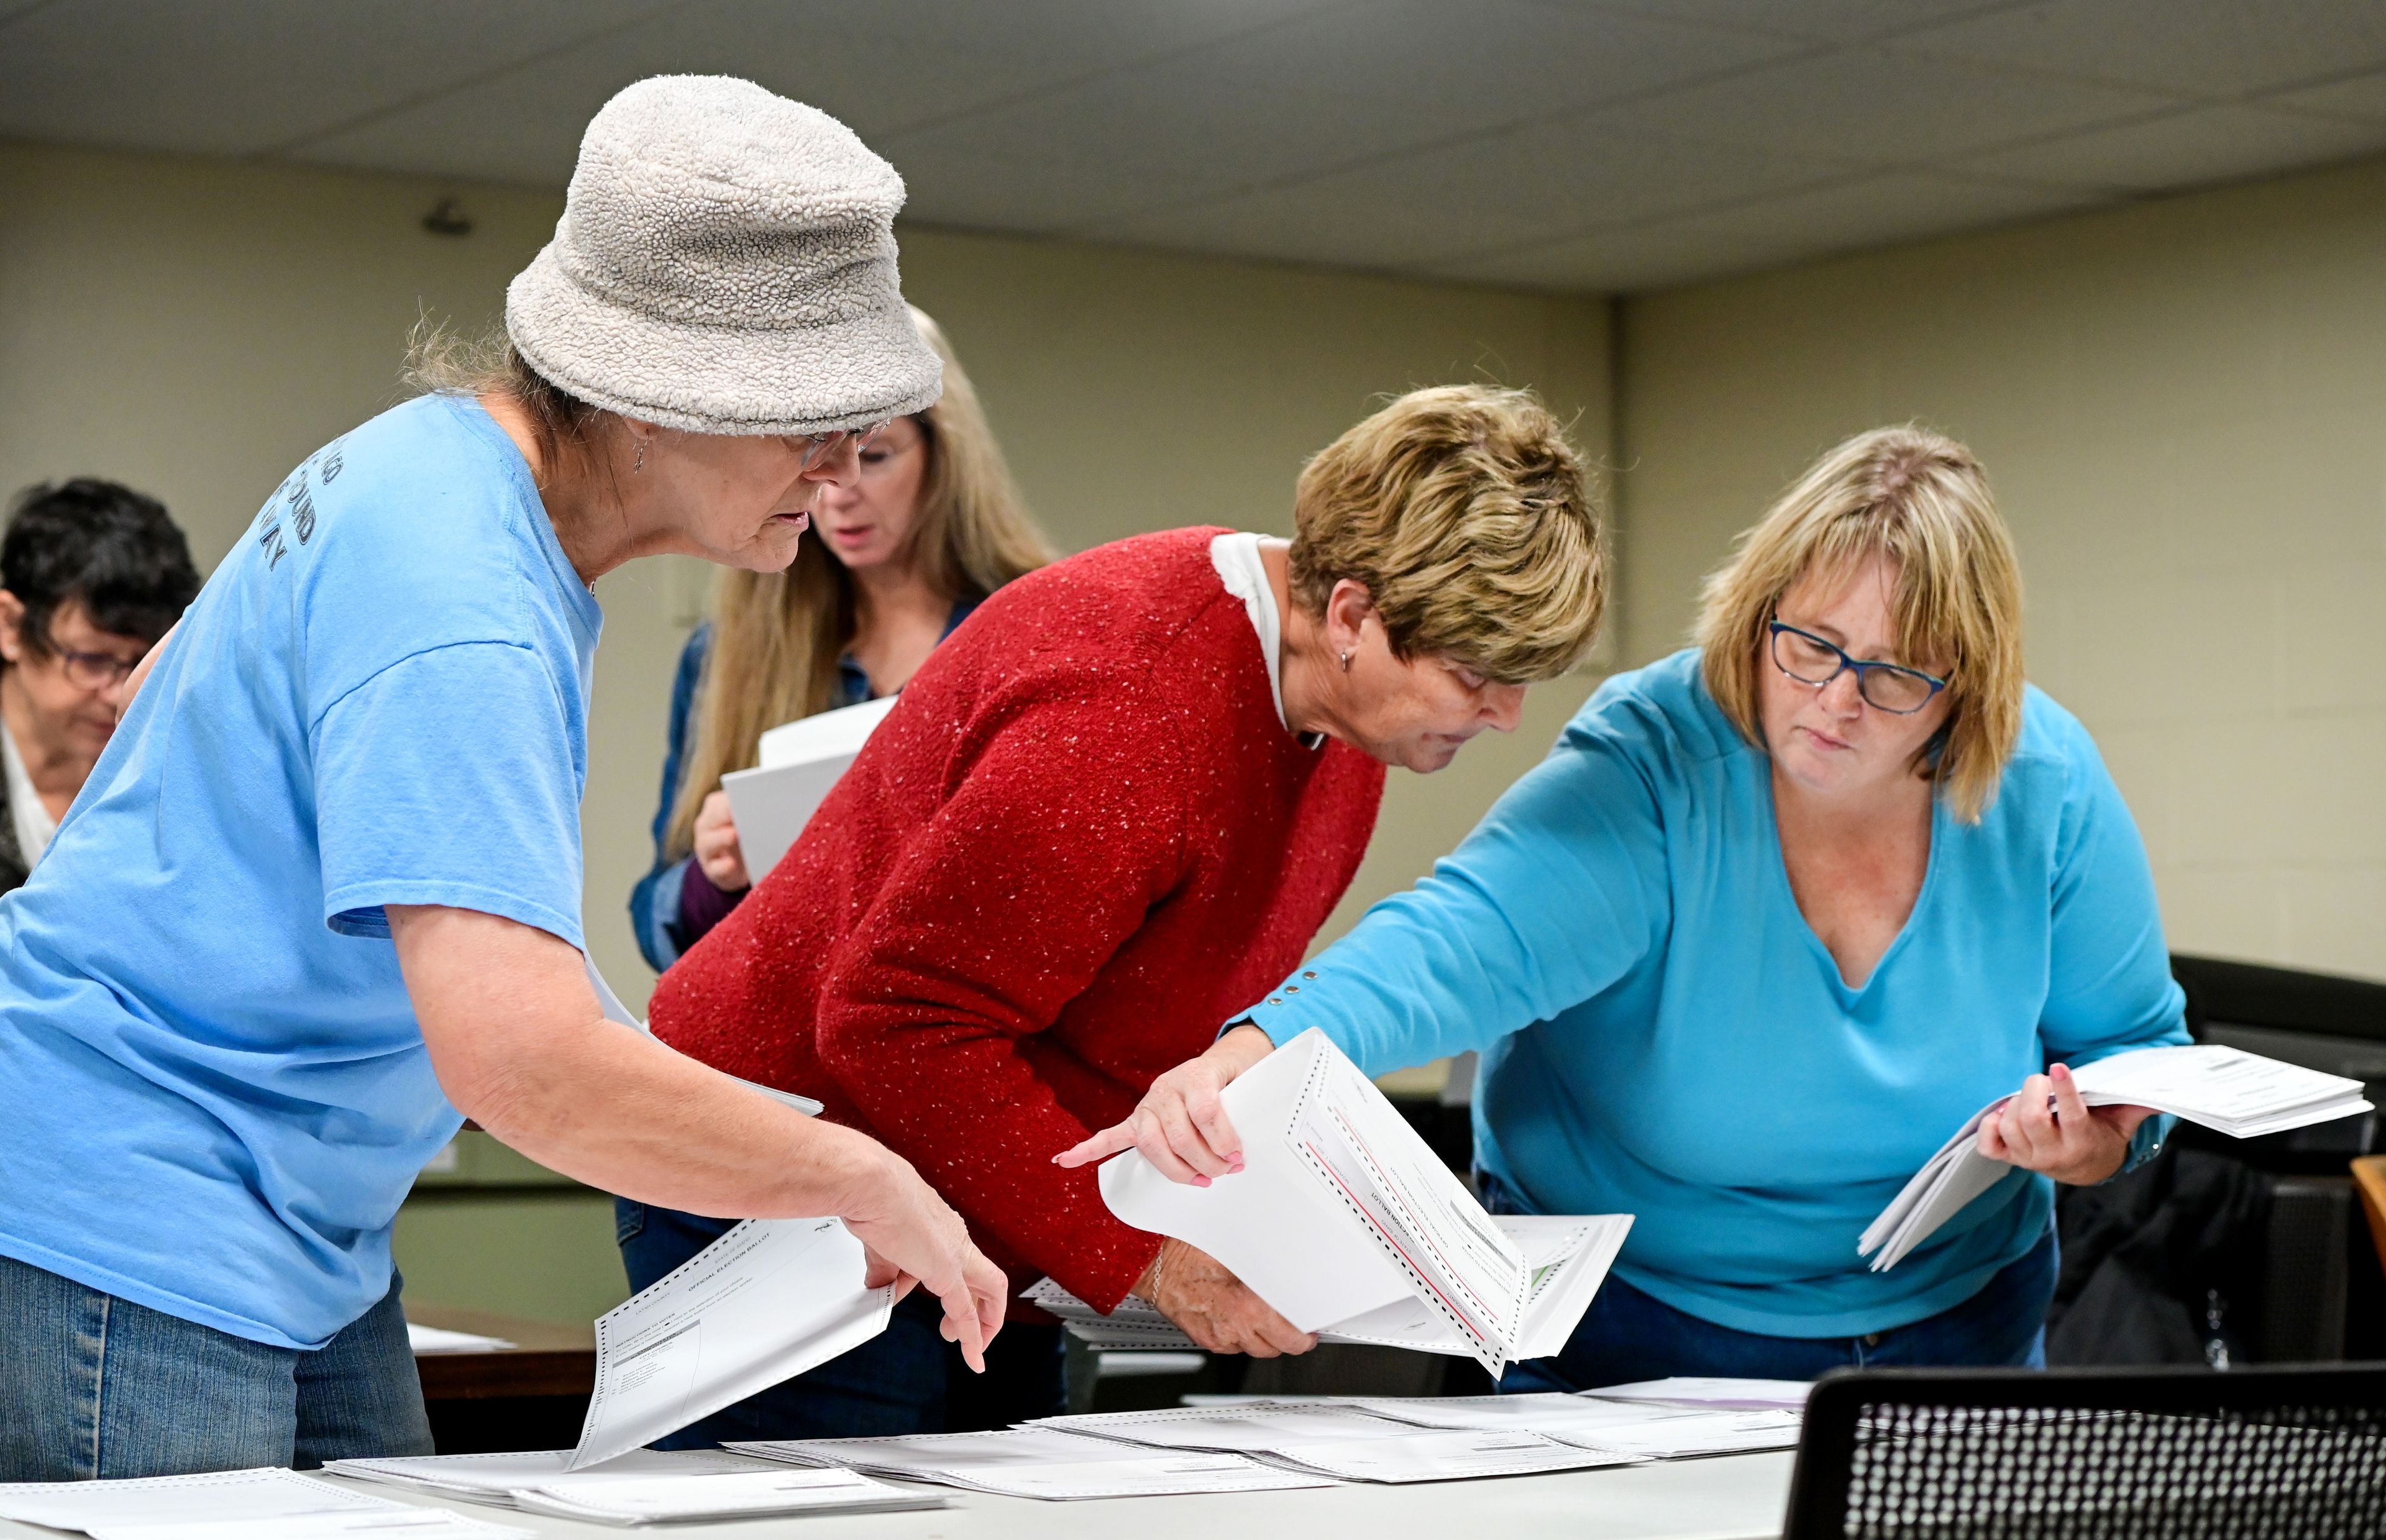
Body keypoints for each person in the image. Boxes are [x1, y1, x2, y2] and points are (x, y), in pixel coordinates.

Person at [0, 76, 1006, 1483]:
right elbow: (518, 1057)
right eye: (808, 420)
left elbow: (500, 978)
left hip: (295, 1219)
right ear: (653, 398)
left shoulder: (437, 482)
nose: (840, 471)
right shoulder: (460, 593)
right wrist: (855, 1173)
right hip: (143, 1206)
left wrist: (783, 1139)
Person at [1064, 425, 2185, 1387]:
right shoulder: (1660, 759)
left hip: (1955, 1324)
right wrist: (1248, 1053)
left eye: (1898, 675)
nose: (1836, 702)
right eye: (1808, 645)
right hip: (1629, 1324)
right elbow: (1454, 943)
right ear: (1758, 614)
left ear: (1967, 689)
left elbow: (2141, 1060)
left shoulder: (2041, 782)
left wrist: (2093, 1150)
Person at [627, 384, 1607, 1440]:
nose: (1505, 716)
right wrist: (1152, 1264)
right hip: (787, 1157)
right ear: (1354, 615)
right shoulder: (1128, 720)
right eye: (1475, 676)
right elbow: (894, 1020)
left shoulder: (1337, 705)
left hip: (977, 1168)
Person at [630, 309, 1054, 970]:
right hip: (787, 1040)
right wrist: (709, 878)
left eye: (875, 455)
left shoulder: (1037, 629)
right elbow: (657, 923)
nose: (839, 492)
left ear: (944, 455)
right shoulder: (724, 654)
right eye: (809, 458)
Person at [0, 478, 199, 890]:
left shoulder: (164, 770)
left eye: (140, 665)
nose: (119, 694)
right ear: (11, 627)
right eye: (92, 660)